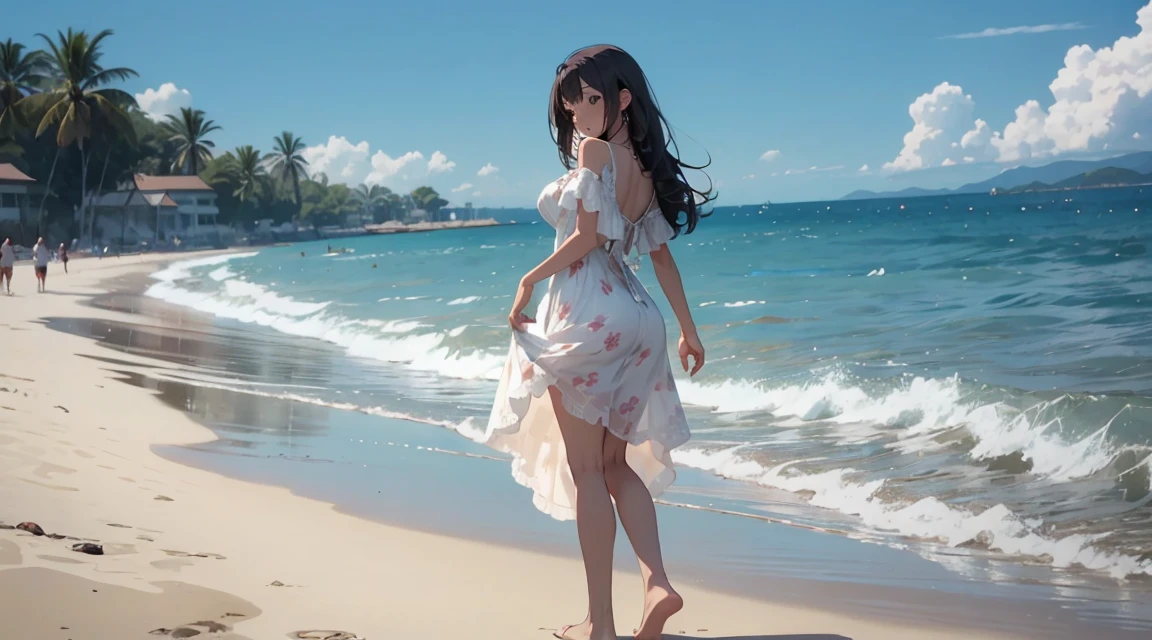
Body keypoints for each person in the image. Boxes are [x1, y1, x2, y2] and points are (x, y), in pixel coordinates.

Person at [484, 45, 711, 640]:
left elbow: (585, 238)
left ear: (621, 98)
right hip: (639, 319)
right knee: (613, 465)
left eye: (591, 97)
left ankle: (601, 627)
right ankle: (657, 583)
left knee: (588, 470)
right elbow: (659, 259)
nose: (579, 111)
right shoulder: (643, 165)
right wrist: (687, 330)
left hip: (590, 308)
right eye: (571, 100)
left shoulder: (595, 153)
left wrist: (528, 280)